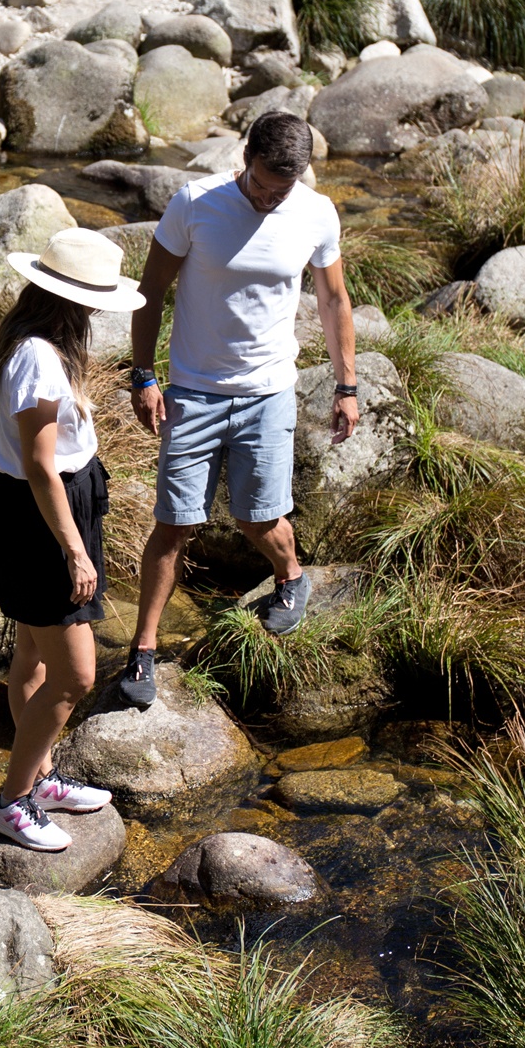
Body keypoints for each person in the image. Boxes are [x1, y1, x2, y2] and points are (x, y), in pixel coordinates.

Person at [119, 110, 361, 706]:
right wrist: (144, 374)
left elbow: (333, 301)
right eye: (261, 185)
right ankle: (143, 649)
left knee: (258, 518)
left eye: (284, 189)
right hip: (194, 393)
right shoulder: (194, 204)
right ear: (244, 156)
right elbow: (150, 294)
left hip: (268, 391)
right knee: (175, 525)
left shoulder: (314, 212)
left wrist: (347, 386)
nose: (271, 200)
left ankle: (291, 578)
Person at [0, 228, 147, 851]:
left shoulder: (32, 345)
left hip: (39, 510)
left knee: (33, 656)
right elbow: (42, 465)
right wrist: (76, 550)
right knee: (76, 676)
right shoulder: (41, 359)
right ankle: (12, 801)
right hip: (43, 517)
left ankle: (41, 777)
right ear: (77, 302)